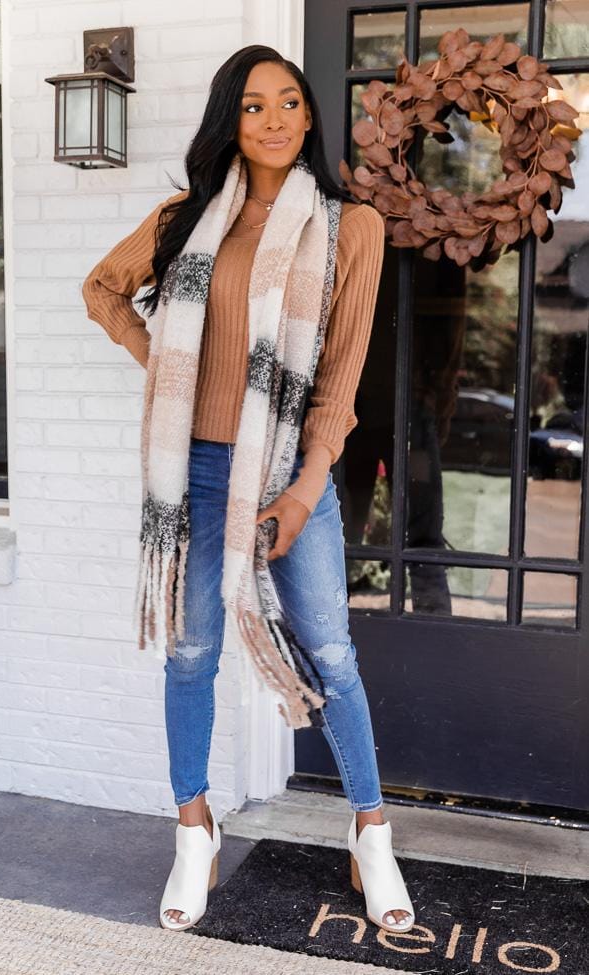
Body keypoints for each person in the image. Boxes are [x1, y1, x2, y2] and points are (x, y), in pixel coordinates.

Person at [82, 44, 414, 936]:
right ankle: (194, 829)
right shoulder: (186, 220)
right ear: (231, 119)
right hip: (193, 469)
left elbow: (338, 384)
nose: (273, 119)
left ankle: (371, 831)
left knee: (332, 655)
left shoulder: (350, 228)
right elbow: (104, 290)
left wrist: (304, 491)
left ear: (309, 115)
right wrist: (167, 370)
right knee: (192, 653)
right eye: (254, 104)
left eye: (288, 102)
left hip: (288, 474)